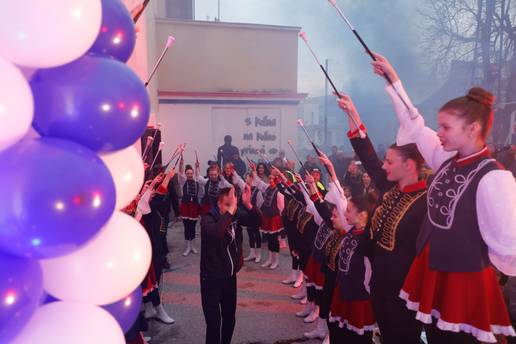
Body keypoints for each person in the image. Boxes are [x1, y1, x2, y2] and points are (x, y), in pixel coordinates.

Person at [372, 52, 516, 342]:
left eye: (446, 127)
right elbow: (415, 125)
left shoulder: (494, 178)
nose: (438, 133)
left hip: (464, 283)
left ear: (473, 129)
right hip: (436, 273)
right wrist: (394, 82)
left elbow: (509, 245)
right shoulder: (446, 160)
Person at [337, 94, 428, 344]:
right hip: (379, 286)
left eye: (390, 161)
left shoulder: (426, 203)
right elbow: (368, 157)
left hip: (404, 296)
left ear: (409, 165)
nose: (384, 166)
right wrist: (352, 114)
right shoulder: (391, 188)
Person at [200, 186, 261, 344]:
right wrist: (233, 208)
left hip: (229, 277)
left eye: (232, 204)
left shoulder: (234, 215)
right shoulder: (208, 218)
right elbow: (217, 233)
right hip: (211, 278)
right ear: (218, 204)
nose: (231, 209)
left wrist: (248, 205)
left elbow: (257, 222)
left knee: (229, 318)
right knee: (214, 324)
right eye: (227, 205)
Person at [328, 194, 377, 344]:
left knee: (355, 338)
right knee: (337, 332)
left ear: (362, 215)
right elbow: (339, 199)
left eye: (348, 210)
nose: (344, 214)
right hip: (342, 292)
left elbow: (372, 276)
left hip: (359, 301)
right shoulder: (351, 230)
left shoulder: (369, 241)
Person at [250, 163, 284, 270]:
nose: (270, 180)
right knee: (269, 239)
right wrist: (254, 171)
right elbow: (259, 182)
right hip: (266, 217)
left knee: (274, 240)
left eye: (273, 179)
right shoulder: (267, 187)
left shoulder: (279, 192)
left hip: (274, 218)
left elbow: (281, 207)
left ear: (276, 180)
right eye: (269, 178)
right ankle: (269, 259)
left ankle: (276, 260)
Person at [178, 159, 201, 256]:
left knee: (193, 227)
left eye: (191, 173)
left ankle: (193, 246)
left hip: (194, 207)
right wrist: (181, 164)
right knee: (187, 227)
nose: (190, 175)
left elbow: (198, 175)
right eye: (188, 173)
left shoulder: (196, 182)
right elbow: (180, 173)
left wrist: (197, 167)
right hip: (185, 207)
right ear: (186, 174)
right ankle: (188, 247)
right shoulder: (183, 182)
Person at [243, 172, 263, 263]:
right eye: (245, 178)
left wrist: (256, 213)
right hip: (248, 215)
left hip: (255, 215)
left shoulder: (257, 191)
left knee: (256, 234)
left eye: (248, 178)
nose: (246, 180)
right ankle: (252, 253)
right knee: (250, 232)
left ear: (252, 179)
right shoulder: (245, 189)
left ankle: (258, 254)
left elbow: (260, 204)